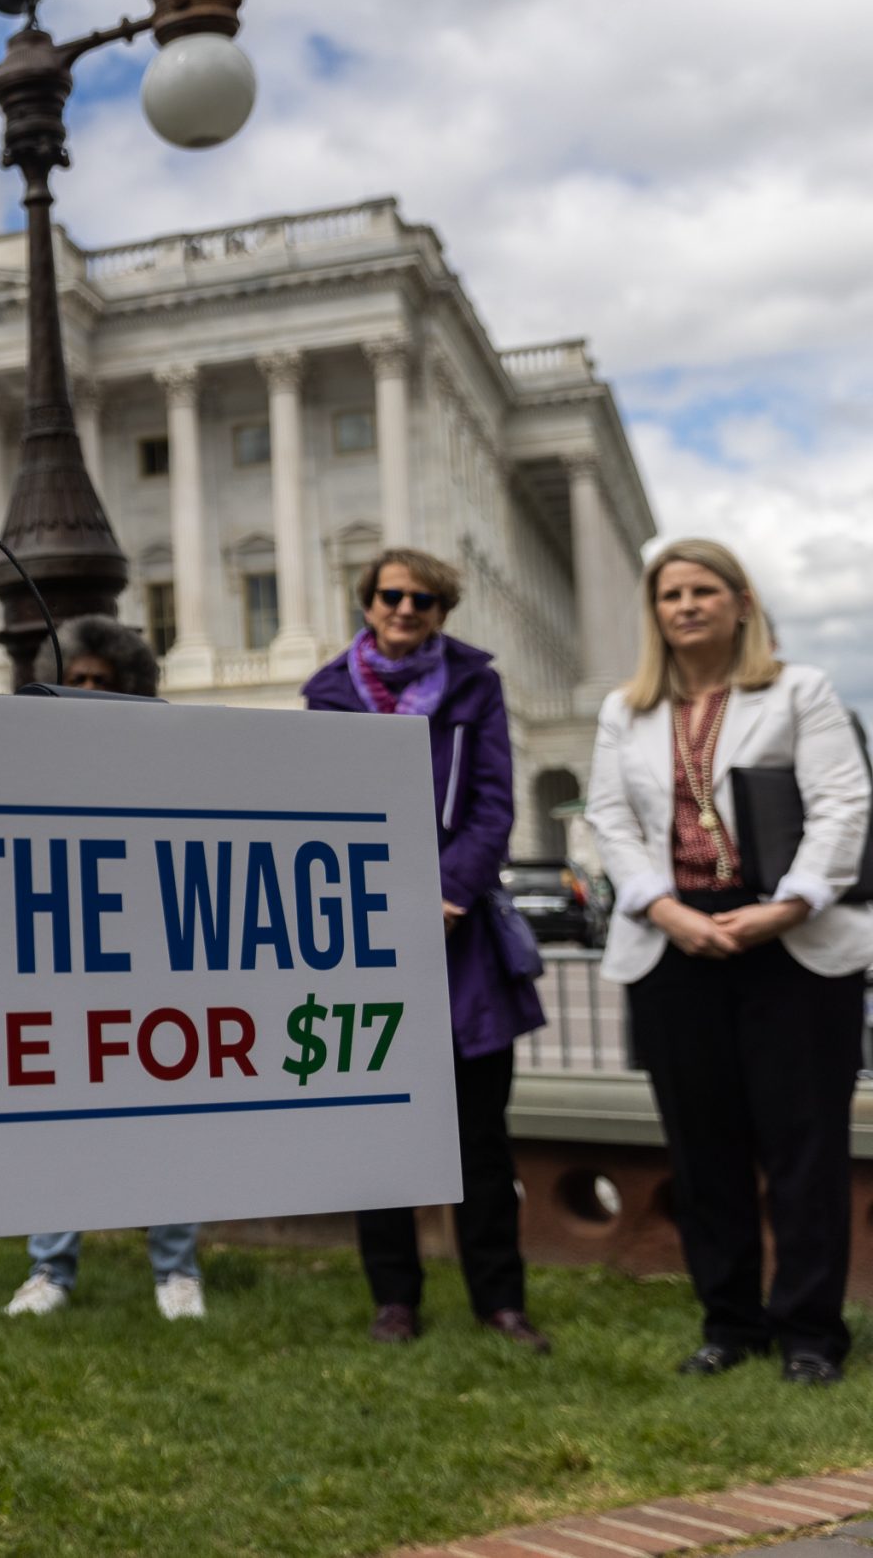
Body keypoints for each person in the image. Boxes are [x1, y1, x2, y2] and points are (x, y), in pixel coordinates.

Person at [585, 538, 871, 1384]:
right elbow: (611, 820)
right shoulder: (623, 712)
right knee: (702, 1148)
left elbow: (843, 805)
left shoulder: (799, 692)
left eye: (704, 590)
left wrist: (786, 906)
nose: (686, 606)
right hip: (672, 941)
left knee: (804, 1147)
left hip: (792, 939)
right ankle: (729, 1324)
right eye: (670, 594)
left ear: (741, 603)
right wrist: (666, 910)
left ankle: (812, 1334)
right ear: (655, 612)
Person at [302, 549, 549, 1352]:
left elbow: (492, 804)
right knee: (382, 1133)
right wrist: (373, 901)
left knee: (480, 1135)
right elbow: (315, 810)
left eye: (425, 600)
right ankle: (394, 1300)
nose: (406, 609)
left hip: (461, 934)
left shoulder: (477, 685)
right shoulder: (329, 694)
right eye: (391, 595)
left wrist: (447, 893)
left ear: (443, 612)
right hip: (366, 936)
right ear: (367, 603)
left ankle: (499, 1301)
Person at [0, 616, 204, 1321]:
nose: (86, 691)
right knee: (57, 1118)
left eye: (101, 683)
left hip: (146, 961)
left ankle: (177, 1271)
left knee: (169, 1114)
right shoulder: (24, 760)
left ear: (130, 688)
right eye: (76, 680)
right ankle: (49, 1269)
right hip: (59, 962)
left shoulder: (159, 759)